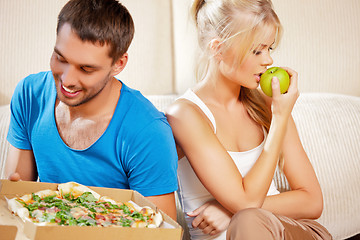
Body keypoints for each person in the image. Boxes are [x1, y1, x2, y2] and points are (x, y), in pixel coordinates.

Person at [166, 0, 333, 238]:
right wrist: (240, 209)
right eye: (257, 50)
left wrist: (227, 209)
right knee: (247, 217)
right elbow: (245, 202)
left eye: (270, 49)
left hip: (290, 232)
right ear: (218, 49)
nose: (268, 61)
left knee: (248, 218)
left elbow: (312, 201)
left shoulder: (269, 105)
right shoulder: (185, 115)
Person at [5, 0, 178, 220]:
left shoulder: (147, 131)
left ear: (118, 64)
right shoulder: (30, 95)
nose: (67, 80)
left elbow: (160, 232)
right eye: (61, 58)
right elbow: (16, 197)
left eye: (86, 69)